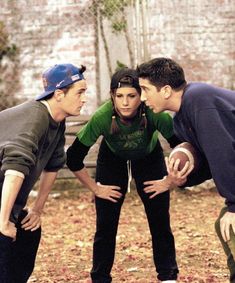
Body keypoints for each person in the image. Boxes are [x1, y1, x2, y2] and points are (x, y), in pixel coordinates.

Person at [66, 67, 181, 283]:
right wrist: (95, 188)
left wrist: (169, 181)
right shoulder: (101, 117)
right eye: (119, 96)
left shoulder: (154, 113)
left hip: (149, 158)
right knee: (106, 224)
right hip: (112, 159)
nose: (125, 102)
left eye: (132, 96)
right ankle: (100, 278)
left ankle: (168, 277)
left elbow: (183, 148)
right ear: (112, 96)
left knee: (159, 220)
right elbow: (73, 158)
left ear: (141, 96)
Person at [137, 57, 235, 282]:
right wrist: (182, 180)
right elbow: (209, 162)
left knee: (232, 225)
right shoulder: (181, 118)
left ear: (166, 90)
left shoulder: (199, 99)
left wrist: (234, 205)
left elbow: (223, 151)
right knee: (225, 225)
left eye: (145, 90)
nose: (142, 98)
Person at [0, 63, 87, 283]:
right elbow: (14, 170)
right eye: (80, 92)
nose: (84, 99)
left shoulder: (57, 121)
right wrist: (3, 223)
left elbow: (54, 165)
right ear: (59, 94)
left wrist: (37, 209)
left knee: (29, 231)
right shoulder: (35, 118)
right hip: (2, 205)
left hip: (8, 203)